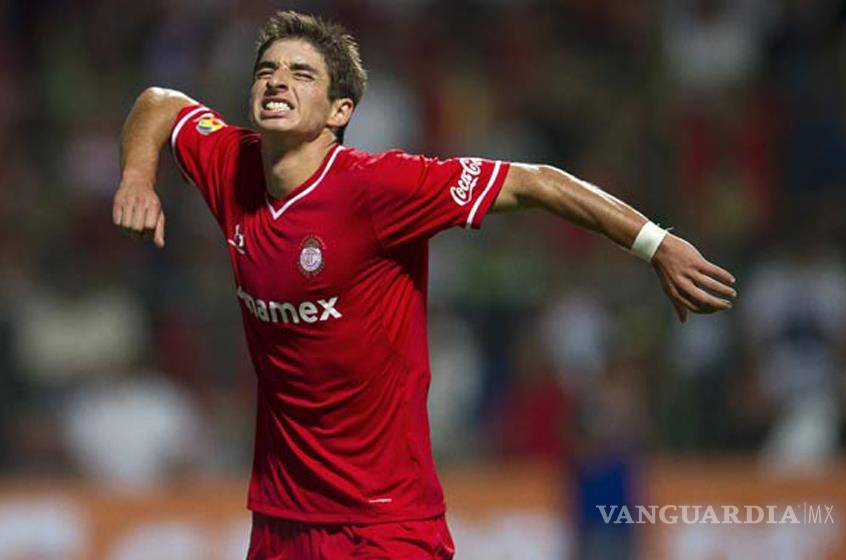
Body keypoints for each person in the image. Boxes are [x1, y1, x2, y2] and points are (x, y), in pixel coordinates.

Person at [112, 10, 737, 559]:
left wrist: (656, 245)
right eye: (267, 70)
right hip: (281, 520)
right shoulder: (230, 165)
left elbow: (536, 181)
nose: (277, 81)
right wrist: (138, 178)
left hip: (384, 525)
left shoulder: (379, 188)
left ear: (339, 111)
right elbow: (160, 103)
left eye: (302, 74)